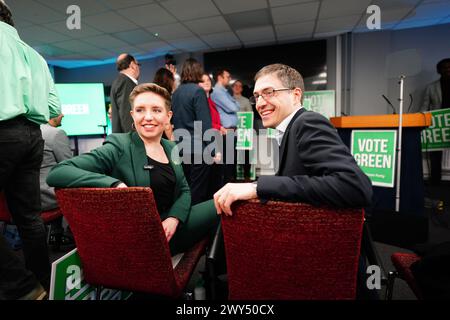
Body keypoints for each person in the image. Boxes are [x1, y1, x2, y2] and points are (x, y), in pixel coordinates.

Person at [47, 83, 219, 256]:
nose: (148, 117)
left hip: (170, 227)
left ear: (168, 116)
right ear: (132, 115)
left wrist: (174, 218)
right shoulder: (119, 145)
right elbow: (58, 173)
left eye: (157, 110)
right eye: (140, 110)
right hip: (140, 238)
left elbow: (184, 190)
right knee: (224, 206)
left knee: (227, 202)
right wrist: (114, 184)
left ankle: (213, 274)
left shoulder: (170, 146)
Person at [213, 63, 373, 216]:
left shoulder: (307, 122)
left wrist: (257, 188)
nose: (260, 104)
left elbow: (355, 186)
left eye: (269, 92)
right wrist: (254, 186)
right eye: (257, 96)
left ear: (296, 95)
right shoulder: (289, 128)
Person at [0, 0, 60, 300]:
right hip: (33, 136)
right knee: (30, 219)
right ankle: (42, 287)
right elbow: (53, 108)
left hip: (1, 131)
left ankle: (21, 285)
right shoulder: (35, 55)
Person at [171, 58, 213, 205]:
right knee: (199, 192)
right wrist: (214, 149)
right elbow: (205, 123)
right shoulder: (198, 91)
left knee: (186, 190)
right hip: (198, 150)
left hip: (180, 148)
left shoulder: (175, 93)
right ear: (197, 72)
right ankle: (196, 225)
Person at [40, 114, 74, 248]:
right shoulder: (55, 134)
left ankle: (56, 232)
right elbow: (68, 167)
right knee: (80, 186)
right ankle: (71, 235)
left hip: (22, 198)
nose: (63, 114)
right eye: (59, 110)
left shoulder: (28, 132)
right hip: (46, 198)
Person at [421, 58, 450, 185]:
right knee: (435, 154)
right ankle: (435, 181)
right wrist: (420, 119)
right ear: (439, 70)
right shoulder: (431, 87)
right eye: (444, 67)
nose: (447, 70)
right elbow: (425, 106)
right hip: (438, 124)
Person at [211, 69, 241, 183]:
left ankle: (228, 185)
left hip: (230, 131)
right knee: (227, 163)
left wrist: (233, 103)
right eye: (227, 76)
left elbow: (236, 105)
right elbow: (234, 107)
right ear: (220, 77)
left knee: (230, 162)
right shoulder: (218, 92)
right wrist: (233, 104)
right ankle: (225, 188)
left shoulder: (224, 91)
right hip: (225, 131)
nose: (229, 79)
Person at [198, 73, 226, 196]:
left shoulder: (209, 99)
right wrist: (218, 127)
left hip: (216, 137)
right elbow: (203, 122)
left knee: (217, 175)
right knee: (211, 177)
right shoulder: (200, 101)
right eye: (203, 81)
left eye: (208, 80)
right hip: (208, 139)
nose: (207, 82)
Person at [110, 53, 140, 133]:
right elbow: (127, 116)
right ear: (132, 65)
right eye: (138, 64)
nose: (138, 68)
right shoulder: (126, 83)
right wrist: (134, 139)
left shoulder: (118, 81)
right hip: (129, 141)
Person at [154, 67, 176, 140]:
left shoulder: (154, 96)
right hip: (165, 137)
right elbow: (167, 124)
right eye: (173, 80)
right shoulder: (165, 98)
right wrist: (173, 142)